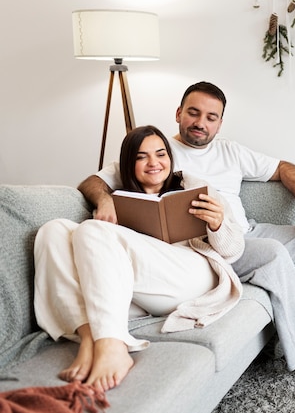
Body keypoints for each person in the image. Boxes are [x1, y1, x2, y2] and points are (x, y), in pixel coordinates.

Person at [77, 81, 295, 390]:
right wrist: (104, 199)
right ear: (178, 113)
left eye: (211, 117)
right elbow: (92, 181)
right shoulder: (158, 152)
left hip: (244, 231)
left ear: (220, 123)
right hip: (203, 245)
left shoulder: (231, 151)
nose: (200, 123)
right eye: (193, 113)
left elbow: (287, 168)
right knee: (272, 253)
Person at [35, 125, 244, 392]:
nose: (153, 163)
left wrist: (218, 224)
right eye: (141, 157)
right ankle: (89, 335)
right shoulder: (118, 193)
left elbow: (234, 252)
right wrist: (105, 201)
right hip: (144, 286)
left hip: (193, 274)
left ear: (170, 158)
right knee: (53, 230)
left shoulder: (195, 187)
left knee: (91, 229)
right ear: (127, 163)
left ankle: (113, 344)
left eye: (160, 154)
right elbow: (90, 184)